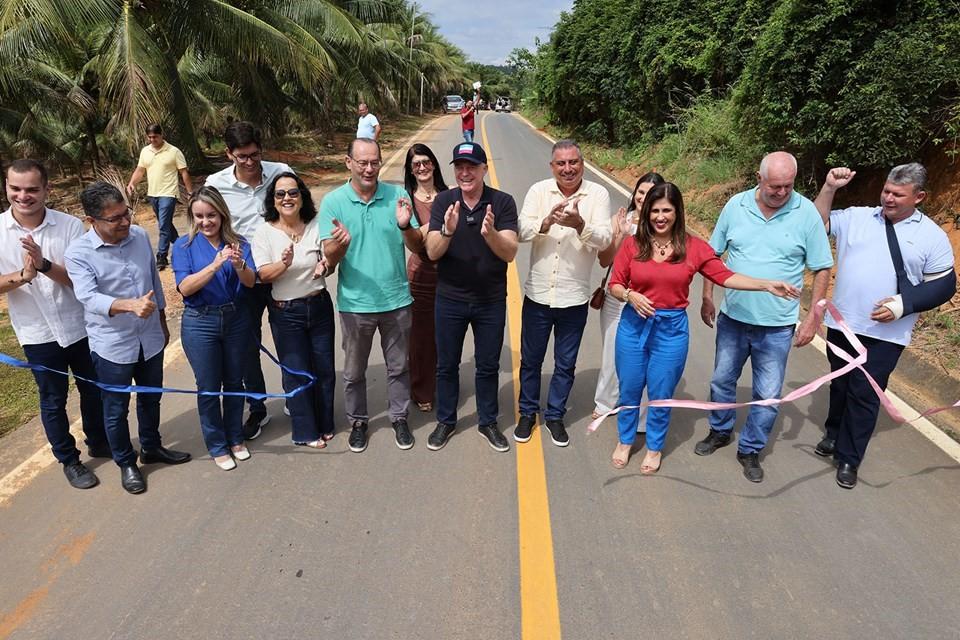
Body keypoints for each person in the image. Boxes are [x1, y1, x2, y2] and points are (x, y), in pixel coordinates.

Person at [608, 182, 799, 471]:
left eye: (667, 211)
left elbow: (725, 276)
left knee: (661, 394)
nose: (660, 217)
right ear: (646, 213)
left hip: (670, 331)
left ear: (677, 212)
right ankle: (625, 440)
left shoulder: (693, 247)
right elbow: (615, 284)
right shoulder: (634, 245)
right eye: (655, 211)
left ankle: (655, 446)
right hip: (633, 326)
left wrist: (765, 285)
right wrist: (630, 295)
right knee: (630, 388)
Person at [813, 163, 955, 488]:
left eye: (898, 195)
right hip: (844, 324)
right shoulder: (858, 217)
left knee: (865, 392)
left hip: (887, 335)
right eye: (886, 191)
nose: (888, 198)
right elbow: (816, 224)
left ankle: (850, 457)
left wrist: (903, 305)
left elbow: (944, 285)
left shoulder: (931, 237)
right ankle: (833, 434)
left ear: (919, 197)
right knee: (841, 384)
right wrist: (829, 188)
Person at [694, 151, 834, 483]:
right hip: (734, 318)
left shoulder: (806, 215)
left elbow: (822, 267)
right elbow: (712, 256)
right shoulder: (736, 207)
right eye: (774, 186)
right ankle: (720, 430)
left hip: (777, 327)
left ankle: (751, 449)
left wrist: (813, 319)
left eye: (787, 186)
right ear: (759, 179)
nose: (781, 193)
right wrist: (706, 297)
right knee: (722, 380)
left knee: (768, 393)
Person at [65, 181, 191, 494]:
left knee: (151, 397)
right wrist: (129, 305)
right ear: (92, 221)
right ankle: (126, 462)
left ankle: (151, 446)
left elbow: (153, 279)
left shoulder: (137, 237)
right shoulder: (78, 254)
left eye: (126, 214)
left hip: (148, 338)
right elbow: (88, 297)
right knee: (115, 408)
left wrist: (161, 320)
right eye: (115, 218)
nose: (125, 222)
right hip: (112, 345)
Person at [0, 159, 108, 490]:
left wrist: (44, 265)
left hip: (79, 326)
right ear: (6, 187)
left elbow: (81, 281)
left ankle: (100, 442)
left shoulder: (71, 226)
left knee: (93, 389)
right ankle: (70, 460)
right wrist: (23, 276)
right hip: (37, 333)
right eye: (15, 188)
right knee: (52, 398)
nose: (23, 196)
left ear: (48, 189)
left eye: (32, 189)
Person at [320, 138, 422, 452]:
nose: (369, 168)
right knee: (353, 371)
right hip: (355, 303)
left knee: (399, 367)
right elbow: (328, 259)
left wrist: (406, 226)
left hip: (397, 301)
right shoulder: (333, 202)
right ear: (348, 162)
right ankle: (359, 422)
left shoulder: (398, 195)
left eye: (374, 162)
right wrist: (340, 245)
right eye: (362, 162)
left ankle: (399, 417)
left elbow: (417, 247)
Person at [514, 139, 612, 446]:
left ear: (582, 164)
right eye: (561, 164)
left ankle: (555, 415)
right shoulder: (538, 191)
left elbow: (606, 238)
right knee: (531, 360)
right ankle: (528, 412)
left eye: (574, 163)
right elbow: (519, 230)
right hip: (538, 295)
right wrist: (545, 222)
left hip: (574, 297)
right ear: (552, 166)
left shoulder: (597, 194)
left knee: (565, 363)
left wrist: (580, 224)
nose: (568, 169)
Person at [424, 142, 519, 452]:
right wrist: (448, 230)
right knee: (447, 364)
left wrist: (490, 233)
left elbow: (510, 252)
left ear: (483, 169)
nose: (465, 172)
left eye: (472, 166)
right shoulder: (444, 202)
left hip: (490, 300)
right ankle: (446, 420)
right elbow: (432, 251)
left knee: (488, 365)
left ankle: (488, 421)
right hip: (449, 299)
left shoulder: (502, 202)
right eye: (460, 166)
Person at [205, 121, 293, 440]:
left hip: (281, 267)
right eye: (242, 157)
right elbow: (210, 226)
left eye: (255, 154)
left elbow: (296, 209)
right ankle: (257, 407)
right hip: (243, 272)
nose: (250, 162)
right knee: (246, 343)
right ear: (229, 154)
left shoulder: (281, 172)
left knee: (289, 336)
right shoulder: (216, 185)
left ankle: (295, 397)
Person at [172, 186, 256, 471]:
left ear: (222, 215)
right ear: (191, 217)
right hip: (200, 321)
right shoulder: (183, 246)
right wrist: (215, 265)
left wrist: (239, 263)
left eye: (211, 215)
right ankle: (217, 445)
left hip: (235, 319)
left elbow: (249, 282)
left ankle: (235, 438)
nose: (206, 222)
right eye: (199, 216)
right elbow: (185, 287)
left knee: (234, 382)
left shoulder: (239, 242)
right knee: (208, 387)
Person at [255, 172, 336, 449]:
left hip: (319, 305)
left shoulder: (315, 225)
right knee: (297, 372)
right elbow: (264, 275)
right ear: (273, 200)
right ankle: (305, 431)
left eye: (293, 193)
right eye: (280, 194)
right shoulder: (264, 231)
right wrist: (284, 264)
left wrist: (327, 264)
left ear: (302, 197)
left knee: (325, 369)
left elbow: (329, 258)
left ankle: (325, 424)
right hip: (286, 312)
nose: (287, 198)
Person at [592, 172, 665, 421]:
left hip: (646, 302)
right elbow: (604, 261)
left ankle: (637, 409)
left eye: (651, 193)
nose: (644, 198)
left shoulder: (663, 224)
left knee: (644, 356)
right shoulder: (621, 219)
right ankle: (605, 402)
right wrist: (621, 235)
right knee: (611, 352)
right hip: (616, 298)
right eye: (641, 192)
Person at [403, 143, 449, 413]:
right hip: (421, 273)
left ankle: (444, 382)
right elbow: (413, 240)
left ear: (434, 164)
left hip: (452, 273)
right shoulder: (406, 198)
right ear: (410, 170)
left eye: (426, 161)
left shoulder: (449, 193)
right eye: (416, 164)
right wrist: (437, 226)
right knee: (421, 336)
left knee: (447, 333)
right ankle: (421, 388)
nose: (422, 167)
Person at [126, 124, 194, 271]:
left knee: (163, 225)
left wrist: (190, 193)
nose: (152, 140)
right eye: (149, 137)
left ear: (161, 134)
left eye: (155, 137)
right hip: (153, 194)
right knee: (167, 224)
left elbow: (184, 173)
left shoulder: (174, 151)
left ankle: (161, 256)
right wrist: (132, 183)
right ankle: (184, 246)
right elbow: (140, 170)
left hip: (169, 193)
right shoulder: (145, 151)